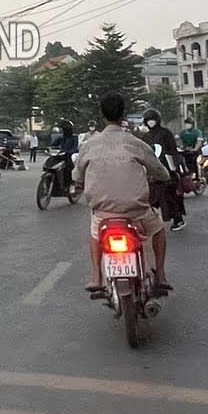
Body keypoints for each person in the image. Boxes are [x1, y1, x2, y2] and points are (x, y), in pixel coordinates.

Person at [73, 93, 172, 295]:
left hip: (103, 213)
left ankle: (96, 276)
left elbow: (76, 175)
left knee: (95, 231)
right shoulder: (136, 143)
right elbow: (161, 172)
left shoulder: (89, 145)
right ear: (122, 115)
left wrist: (81, 182)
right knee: (159, 230)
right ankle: (160, 275)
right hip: (137, 212)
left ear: (102, 115)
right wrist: (161, 178)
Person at [137, 108, 186, 231]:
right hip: (152, 172)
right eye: (148, 120)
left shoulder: (166, 133)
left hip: (167, 170)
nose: (151, 122)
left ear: (157, 120)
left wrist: (176, 168)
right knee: (151, 198)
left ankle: (178, 219)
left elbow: (173, 151)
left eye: (152, 119)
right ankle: (149, 223)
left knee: (169, 196)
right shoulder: (145, 137)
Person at [178, 117, 203, 183]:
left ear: (192, 124)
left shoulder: (197, 132)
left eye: (189, 124)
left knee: (195, 162)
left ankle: (197, 176)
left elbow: (199, 142)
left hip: (195, 152)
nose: (187, 125)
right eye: (186, 123)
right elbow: (177, 138)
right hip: (186, 152)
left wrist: (195, 149)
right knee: (180, 161)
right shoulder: (183, 132)